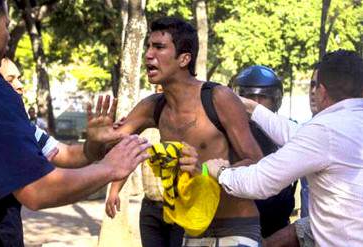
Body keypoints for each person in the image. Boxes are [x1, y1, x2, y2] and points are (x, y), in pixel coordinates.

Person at [0, 2, 151, 246]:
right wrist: (110, 168)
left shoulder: (18, 124)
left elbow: (64, 154)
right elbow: (37, 191)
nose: (20, 86)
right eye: (6, 25)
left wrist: (95, 145)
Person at [105, 16, 263, 247]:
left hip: (236, 227)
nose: (148, 54)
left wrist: (206, 171)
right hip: (191, 230)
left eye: (159, 47)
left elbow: (257, 162)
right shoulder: (152, 106)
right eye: (149, 46)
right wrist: (99, 134)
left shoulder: (218, 97)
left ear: (184, 58)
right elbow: (109, 146)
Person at [201, 49, 363, 246]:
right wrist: (251, 108)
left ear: (321, 90)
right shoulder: (345, 125)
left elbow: (259, 183)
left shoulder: (324, 130)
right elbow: (299, 135)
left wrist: (221, 172)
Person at [0, 57, 111, 168]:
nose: (20, 86)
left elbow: (71, 155)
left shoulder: (29, 129)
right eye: (10, 80)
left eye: (19, 79)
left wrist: (95, 142)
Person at [232, 65, 296, 238]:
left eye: (262, 97)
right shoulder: (228, 132)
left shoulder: (287, 133)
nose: (255, 104)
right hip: (238, 225)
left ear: (275, 100)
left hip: (277, 226)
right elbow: (207, 170)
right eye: (250, 97)